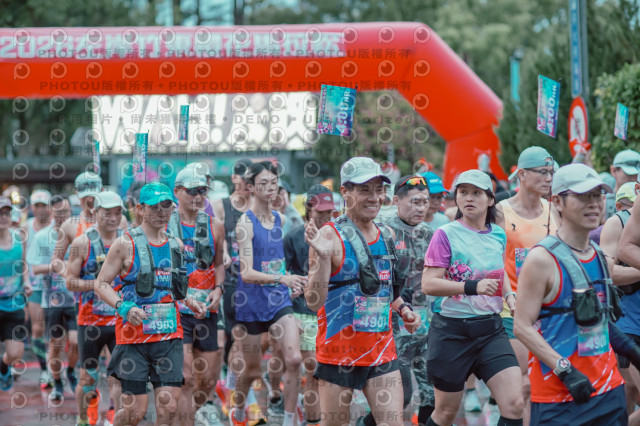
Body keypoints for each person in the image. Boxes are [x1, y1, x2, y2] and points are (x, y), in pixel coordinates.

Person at [305, 157, 421, 426]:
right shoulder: (328, 236)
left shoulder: (388, 235)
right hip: (338, 353)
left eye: (378, 190)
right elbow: (313, 302)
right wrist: (322, 258)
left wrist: (404, 310)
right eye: (364, 190)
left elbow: (386, 292)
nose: (374, 197)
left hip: (381, 352)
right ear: (345, 192)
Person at [515, 164, 627, 425]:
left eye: (598, 195)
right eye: (583, 196)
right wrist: (565, 370)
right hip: (559, 398)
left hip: (609, 390)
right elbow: (522, 326)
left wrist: (630, 350)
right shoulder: (541, 259)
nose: (594, 204)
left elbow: (599, 320)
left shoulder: (600, 256)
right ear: (557, 202)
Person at [94, 182, 207, 426]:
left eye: (166, 206)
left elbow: (175, 288)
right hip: (132, 338)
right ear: (140, 209)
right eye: (154, 207)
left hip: (169, 336)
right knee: (135, 412)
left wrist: (190, 301)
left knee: (168, 406)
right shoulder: (125, 244)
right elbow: (101, 284)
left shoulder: (176, 245)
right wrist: (123, 306)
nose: (161, 212)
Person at [422, 169, 523, 426]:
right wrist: (471, 287)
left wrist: (510, 296)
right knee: (445, 413)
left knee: (514, 404)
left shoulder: (498, 234)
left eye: (477, 193)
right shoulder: (445, 234)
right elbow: (428, 284)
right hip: (451, 333)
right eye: (463, 192)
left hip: (490, 331)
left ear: (490, 199)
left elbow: (498, 272)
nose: (469, 198)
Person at [231, 161, 306, 426]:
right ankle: (238, 409)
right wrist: (282, 278)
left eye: (274, 183)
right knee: (252, 370)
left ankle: (288, 420)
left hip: (278, 301)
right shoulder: (245, 223)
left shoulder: (280, 219)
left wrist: (291, 282)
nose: (270, 188)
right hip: (250, 303)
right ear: (251, 187)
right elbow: (247, 272)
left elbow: (276, 262)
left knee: (294, 359)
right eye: (263, 183)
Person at [495, 146, 556, 425]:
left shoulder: (553, 210)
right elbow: (495, 261)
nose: (548, 178)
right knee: (523, 386)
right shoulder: (501, 212)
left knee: (546, 382)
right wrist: (508, 296)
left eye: (551, 172)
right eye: (542, 172)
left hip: (550, 309)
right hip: (513, 311)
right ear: (521, 175)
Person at [169, 168, 226, 424]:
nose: (198, 196)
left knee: (207, 379)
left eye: (202, 190)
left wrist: (219, 288)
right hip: (176, 311)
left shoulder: (215, 226)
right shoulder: (164, 225)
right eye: (192, 191)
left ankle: (190, 414)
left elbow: (219, 263)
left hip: (206, 309)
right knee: (187, 378)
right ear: (177, 192)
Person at [65, 191, 125, 426]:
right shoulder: (82, 243)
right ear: (95, 212)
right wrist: (98, 285)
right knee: (88, 378)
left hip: (120, 321)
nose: (113, 218)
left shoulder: (128, 241)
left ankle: (114, 419)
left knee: (119, 376)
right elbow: (70, 282)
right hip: (90, 323)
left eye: (117, 213)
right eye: (107, 213)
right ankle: (83, 419)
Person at [383, 175, 435, 425]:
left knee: (432, 394)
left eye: (425, 202)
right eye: (415, 202)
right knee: (401, 396)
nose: (421, 208)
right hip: (393, 326)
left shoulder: (431, 234)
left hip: (425, 324)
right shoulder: (384, 232)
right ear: (396, 201)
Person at [283, 184, 335, 426]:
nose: (326, 217)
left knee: (331, 374)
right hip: (304, 311)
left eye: (329, 212)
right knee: (314, 369)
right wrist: (289, 306)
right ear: (308, 209)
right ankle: (311, 420)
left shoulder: (340, 236)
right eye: (320, 212)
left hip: (333, 313)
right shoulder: (293, 237)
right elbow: (281, 275)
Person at [211, 158, 252, 413]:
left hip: (252, 282)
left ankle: (234, 390)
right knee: (224, 338)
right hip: (228, 279)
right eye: (244, 178)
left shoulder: (258, 206)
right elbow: (218, 235)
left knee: (241, 337)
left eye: (252, 180)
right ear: (235, 178)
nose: (248, 184)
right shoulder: (221, 205)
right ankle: (223, 382)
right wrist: (224, 252)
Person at [29, 194, 78, 401]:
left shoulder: (80, 234)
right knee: (55, 345)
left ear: (70, 212)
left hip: (76, 298)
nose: (61, 216)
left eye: (64, 212)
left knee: (76, 342)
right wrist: (56, 265)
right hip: (52, 300)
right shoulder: (42, 237)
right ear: (51, 213)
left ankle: (71, 371)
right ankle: (57, 382)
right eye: (57, 212)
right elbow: (35, 268)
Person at [600, 181, 640, 421]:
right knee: (628, 389)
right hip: (629, 324)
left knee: (630, 392)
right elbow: (608, 273)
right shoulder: (617, 223)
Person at [0, 196, 32, 391]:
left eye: (6, 213)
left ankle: (3, 366)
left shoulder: (19, 238)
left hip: (14, 303)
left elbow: (23, 264)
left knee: (15, 354)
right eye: (0, 214)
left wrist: (26, 282)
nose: (3, 217)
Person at [25, 189, 52, 387]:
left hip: (56, 286)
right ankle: (44, 370)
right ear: (32, 207)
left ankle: (54, 369)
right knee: (37, 327)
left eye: (44, 205)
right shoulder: (26, 228)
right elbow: (23, 257)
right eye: (37, 205)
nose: (41, 209)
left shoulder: (57, 226)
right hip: (34, 284)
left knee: (55, 330)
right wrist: (25, 280)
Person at [606, 149, 640, 219]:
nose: (635, 178)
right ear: (613, 171)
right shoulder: (604, 204)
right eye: (629, 173)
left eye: (638, 174)